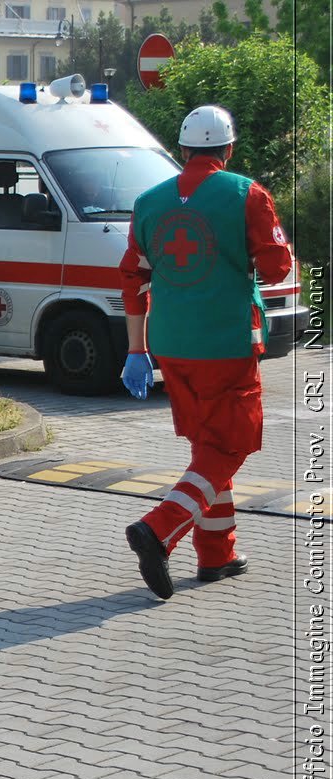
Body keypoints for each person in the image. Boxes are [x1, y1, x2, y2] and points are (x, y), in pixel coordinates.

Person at [119, 105, 294, 600]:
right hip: (226, 341)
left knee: (207, 445)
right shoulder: (247, 194)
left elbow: (132, 276)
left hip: (170, 345)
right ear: (229, 149)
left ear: (182, 150)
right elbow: (278, 269)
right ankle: (160, 527)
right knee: (231, 445)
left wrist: (136, 350)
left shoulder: (148, 201)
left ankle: (216, 555)